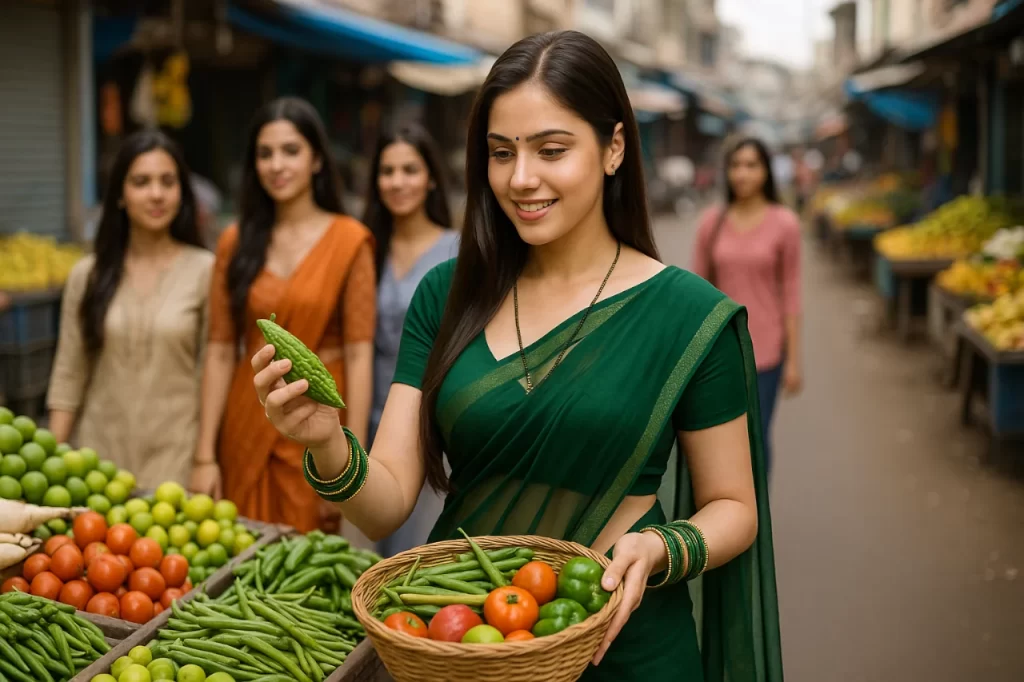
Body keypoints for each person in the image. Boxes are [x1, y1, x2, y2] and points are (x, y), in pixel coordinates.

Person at [253, 31, 782, 681]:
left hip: (625, 639)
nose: (521, 178)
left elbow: (736, 507)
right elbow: (386, 502)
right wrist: (327, 443)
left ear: (614, 147)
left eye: (551, 150)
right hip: (464, 638)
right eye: (501, 153)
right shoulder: (446, 297)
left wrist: (659, 546)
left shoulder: (690, 317)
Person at [191, 97, 376, 533]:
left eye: (290, 151)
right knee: (238, 556)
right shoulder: (235, 242)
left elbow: (360, 354)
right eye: (265, 153)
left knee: (306, 568)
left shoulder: (350, 240)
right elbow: (219, 351)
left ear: (315, 159)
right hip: (248, 416)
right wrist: (204, 455)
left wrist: (353, 463)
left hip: (317, 419)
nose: (277, 164)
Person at [47, 130, 212, 489]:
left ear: (182, 192)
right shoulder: (87, 275)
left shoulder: (206, 271)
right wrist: (50, 465)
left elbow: (210, 374)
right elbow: (68, 373)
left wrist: (205, 459)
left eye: (168, 182)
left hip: (175, 464)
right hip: (95, 465)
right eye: (141, 182)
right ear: (120, 195)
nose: (156, 194)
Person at [361, 122, 459, 557]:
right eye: (387, 171)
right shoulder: (365, 248)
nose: (398, 182)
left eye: (410, 169)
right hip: (371, 414)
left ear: (432, 176)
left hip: (431, 420)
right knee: (380, 535)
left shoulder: (458, 249)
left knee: (421, 549)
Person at [692, 136, 803, 478]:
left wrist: (794, 361)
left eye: (751, 165)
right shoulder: (712, 223)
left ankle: (757, 522)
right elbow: (697, 291)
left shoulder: (785, 223)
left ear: (766, 171)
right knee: (715, 441)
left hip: (766, 353)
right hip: (719, 352)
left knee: (756, 439)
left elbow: (791, 293)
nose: (742, 174)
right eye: (735, 166)